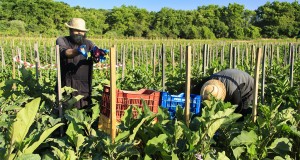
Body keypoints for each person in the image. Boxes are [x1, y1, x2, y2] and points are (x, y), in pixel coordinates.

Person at [56, 18, 104, 109]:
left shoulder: (89, 43)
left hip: (84, 86)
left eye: (82, 31)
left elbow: (96, 56)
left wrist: (98, 55)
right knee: (66, 111)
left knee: (84, 112)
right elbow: (65, 52)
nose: (79, 33)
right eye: (76, 30)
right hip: (66, 85)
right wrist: (78, 51)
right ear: (70, 30)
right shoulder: (62, 40)